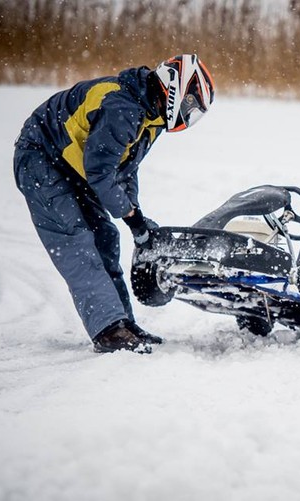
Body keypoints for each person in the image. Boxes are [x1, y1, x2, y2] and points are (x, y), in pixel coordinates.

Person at [13, 54, 215, 353]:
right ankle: (108, 330)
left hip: (73, 165)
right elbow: (100, 171)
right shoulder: (122, 106)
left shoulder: (152, 118)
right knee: (77, 239)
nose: (188, 115)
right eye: (190, 105)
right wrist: (131, 217)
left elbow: (126, 170)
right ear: (175, 89)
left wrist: (136, 215)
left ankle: (122, 324)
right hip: (42, 159)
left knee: (105, 237)